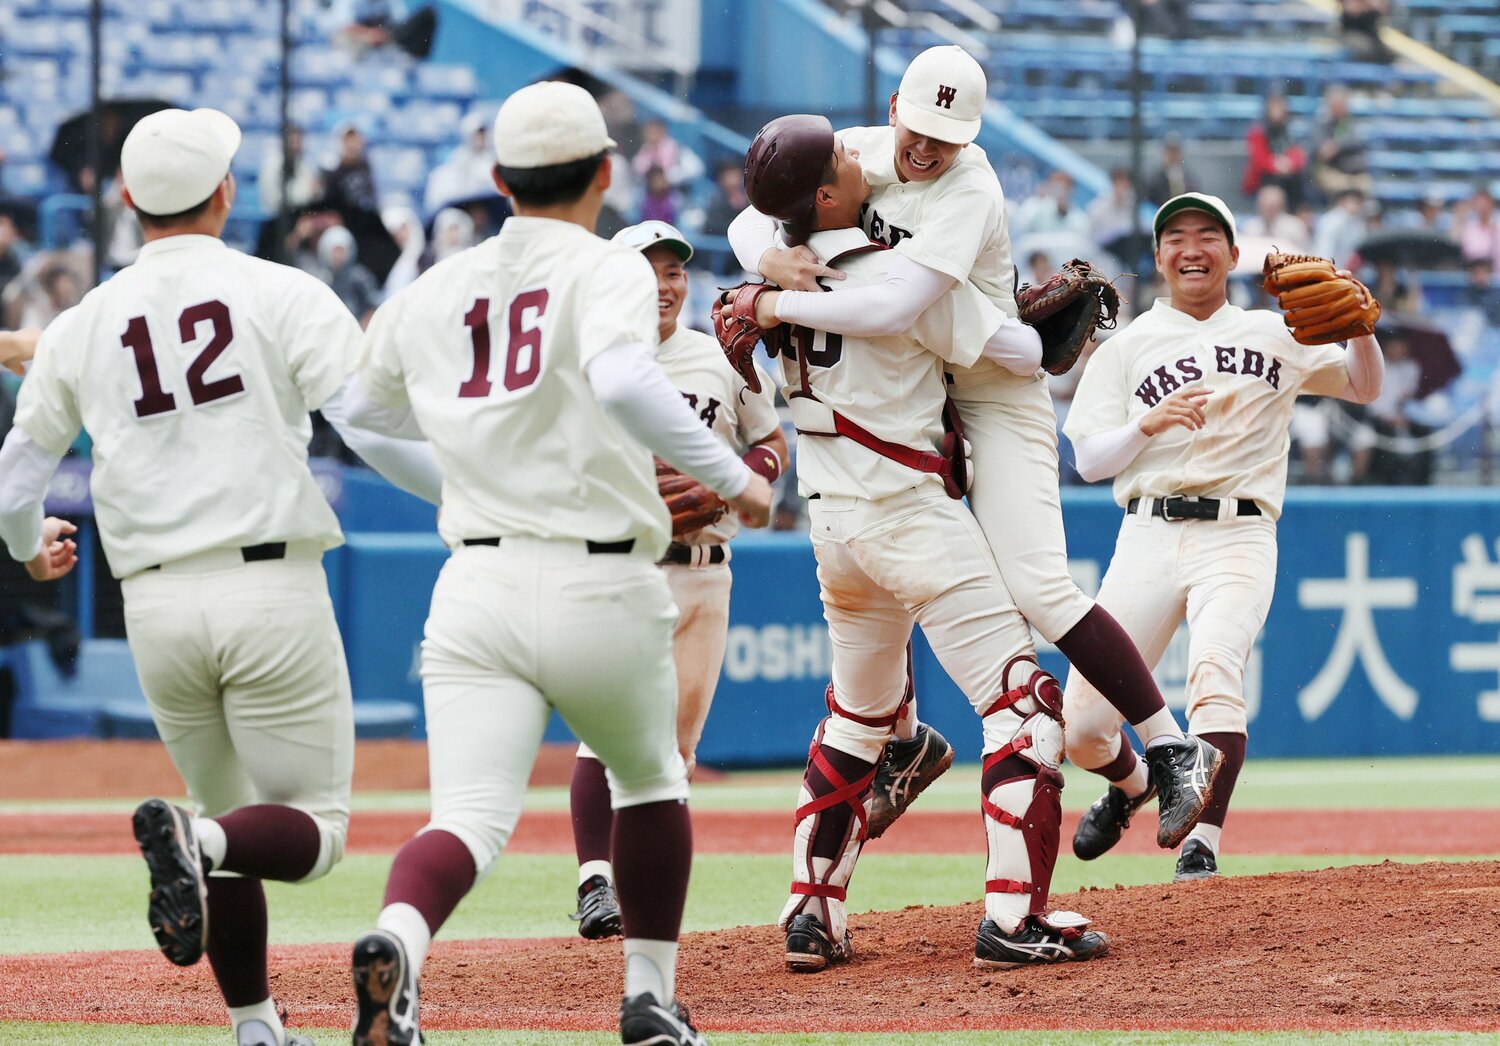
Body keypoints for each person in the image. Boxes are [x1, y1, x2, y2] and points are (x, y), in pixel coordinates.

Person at [338, 81, 771, 1046]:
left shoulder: (435, 285)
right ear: (608, 175)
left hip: (477, 581)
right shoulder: (603, 266)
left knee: (470, 819)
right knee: (653, 780)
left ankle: (399, 940)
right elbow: (621, 377)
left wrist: (447, 482)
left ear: (497, 179)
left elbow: (356, 416)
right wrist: (734, 477)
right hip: (601, 577)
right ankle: (649, 996)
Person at [0, 108, 440, 1046]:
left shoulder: (82, 321)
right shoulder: (282, 290)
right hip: (268, 585)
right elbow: (366, 426)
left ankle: (254, 1028)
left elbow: (15, 478)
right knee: (309, 836)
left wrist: (25, 548)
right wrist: (469, 498)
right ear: (229, 193)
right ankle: (194, 848)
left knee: (231, 825)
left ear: (125, 201)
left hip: (153, 603)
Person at [727, 44, 1221, 847]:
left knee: (1036, 589)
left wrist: (778, 297)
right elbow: (755, 208)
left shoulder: (970, 186)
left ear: (973, 136)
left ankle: (1170, 748)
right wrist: (766, 253)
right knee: (891, 573)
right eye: (917, 129)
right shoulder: (858, 154)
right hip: (929, 390)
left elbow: (899, 310)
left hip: (992, 393)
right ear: (892, 109)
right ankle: (919, 746)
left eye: (946, 137)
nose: (926, 149)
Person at [738, 114, 1109, 971]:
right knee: (1023, 709)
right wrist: (1040, 338)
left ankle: (811, 913)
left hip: (831, 523)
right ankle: (1015, 920)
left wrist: (763, 285)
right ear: (826, 195)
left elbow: (764, 260)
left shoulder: (767, 275)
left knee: (859, 716)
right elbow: (1013, 348)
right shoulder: (887, 274)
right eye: (838, 155)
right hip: (907, 514)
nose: (855, 153)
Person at [1062, 192, 1383, 880]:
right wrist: (1146, 426)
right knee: (1082, 726)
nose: (1191, 247)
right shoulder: (1128, 347)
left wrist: (1359, 325)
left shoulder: (1276, 332)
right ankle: (1132, 784)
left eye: (1208, 234)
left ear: (1234, 255)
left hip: (1238, 533)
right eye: (1175, 236)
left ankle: (1200, 841)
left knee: (1216, 673)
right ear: (1157, 258)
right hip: (1146, 534)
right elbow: (1087, 461)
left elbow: (1364, 386)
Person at [567, 219, 786, 941]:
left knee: (678, 754)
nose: (665, 285)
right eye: (649, 271)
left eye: (674, 272)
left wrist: (740, 483)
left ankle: (637, 892)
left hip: (707, 574)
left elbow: (770, 442)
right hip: (623, 566)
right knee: (610, 733)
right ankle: (595, 883)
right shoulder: (591, 359)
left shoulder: (718, 357)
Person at [1310, 85, 1373, 204]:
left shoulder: (1351, 123)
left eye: (1342, 103)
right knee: (1340, 185)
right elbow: (1322, 151)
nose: (1340, 107)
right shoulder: (1322, 124)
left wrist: (1337, 146)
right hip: (1333, 172)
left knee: (1365, 185)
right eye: (1336, 103)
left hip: (1355, 173)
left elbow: (1356, 141)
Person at [1243, 94, 1306, 211]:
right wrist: (1276, 165)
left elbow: (1298, 154)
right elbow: (1259, 159)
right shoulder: (1258, 130)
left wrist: (1289, 163)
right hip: (1264, 180)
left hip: (1288, 178)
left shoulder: (1290, 130)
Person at [1241, 184, 1311, 251]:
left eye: (1273, 207)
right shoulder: (1250, 227)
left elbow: (1303, 252)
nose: (1268, 211)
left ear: (1281, 206)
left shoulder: (1295, 226)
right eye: (1265, 206)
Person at [1145, 132, 1198, 205]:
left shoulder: (1189, 177)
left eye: (1175, 151)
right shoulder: (1155, 178)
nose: (1173, 155)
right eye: (1170, 151)